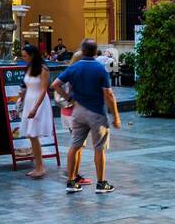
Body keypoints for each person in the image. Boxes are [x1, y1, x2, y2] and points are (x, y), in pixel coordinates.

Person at [52, 39, 122, 194]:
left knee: (75, 146)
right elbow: (108, 94)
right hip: (96, 112)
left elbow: (55, 84)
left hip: (78, 111)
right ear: (95, 51)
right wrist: (116, 116)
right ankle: (101, 183)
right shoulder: (100, 69)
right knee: (99, 148)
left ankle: (71, 182)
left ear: (82, 51)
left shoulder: (74, 67)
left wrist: (69, 98)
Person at [18, 43, 53, 178]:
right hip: (28, 101)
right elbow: (26, 85)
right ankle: (38, 165)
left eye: (25, 56)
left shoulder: (43, 69)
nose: (24, 58)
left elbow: (44, 90)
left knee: (33, 135)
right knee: (31, 135)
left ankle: (40, 167)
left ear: (32, 56)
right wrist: (22, 96)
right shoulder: (29, 67)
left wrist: (35, 108)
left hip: (38, 103)